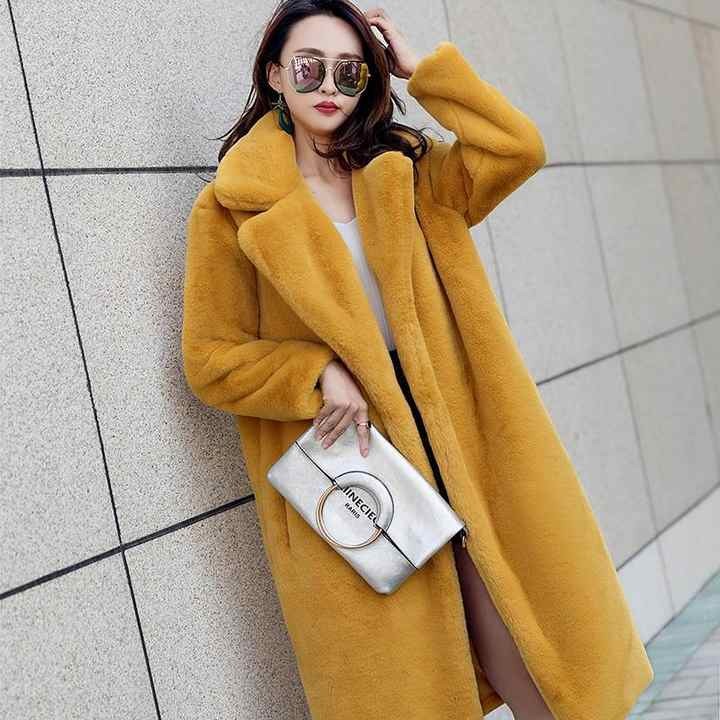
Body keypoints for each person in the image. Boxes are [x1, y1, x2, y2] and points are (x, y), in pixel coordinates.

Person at [182, 2, 654, 719]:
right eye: (308, 68)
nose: (328, 86)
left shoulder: (409, 171)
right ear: (275, 74)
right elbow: (211, 359)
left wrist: (422, 71)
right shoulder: (232, 210)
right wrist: (314, 373)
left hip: (459, 426)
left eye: (350, 71)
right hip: (356, 453)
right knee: (416, 676)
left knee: (534, 635)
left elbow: (515, 150)